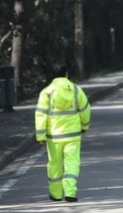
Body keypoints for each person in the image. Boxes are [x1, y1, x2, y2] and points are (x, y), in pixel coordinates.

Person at [34, 63, 91, 202]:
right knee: (72, 163)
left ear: (52, 75)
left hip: (54, 136)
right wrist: (84, 126)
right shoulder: (76, 90)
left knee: (54, 164)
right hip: (73, 134)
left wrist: (40, 135)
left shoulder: (46, 92)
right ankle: (70, 192)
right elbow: (85, 109)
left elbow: (41, 115)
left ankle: (56, 194)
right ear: (66, 74)